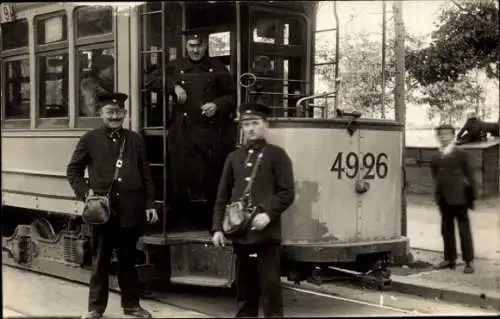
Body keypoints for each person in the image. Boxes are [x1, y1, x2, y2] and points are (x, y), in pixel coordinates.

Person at [67, 92, 159, 319]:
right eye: (110, 112)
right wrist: (86, 194)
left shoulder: (135, 139)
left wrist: (149, 204)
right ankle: (95, 309)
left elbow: (145, 173)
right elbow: (73, 171)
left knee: (129, 259)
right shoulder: (90, 139)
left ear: (125, 114)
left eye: (119, 112)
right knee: (101, 260)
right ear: (100, 114)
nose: (115, 116)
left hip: (131, 209)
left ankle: (132, 306)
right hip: (102, 212)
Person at [211, 102, 295, 317]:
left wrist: (267, 213)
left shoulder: (277, 155)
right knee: (245, 291)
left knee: (270, 289)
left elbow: (287, 192)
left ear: (265, 125)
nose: (250, 128)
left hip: (267, 236)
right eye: (246, 124)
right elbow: (222, 196)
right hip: (241, 234)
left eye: (255, 123)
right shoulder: (234, 157)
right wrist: (217, 228)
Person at [148, 27, 237, 230]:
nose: (195, 50)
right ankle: (182, 222)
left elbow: (232, 96)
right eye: (191, 46)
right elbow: (150, 79)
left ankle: (212, 224)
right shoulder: (175, 65)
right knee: (180, 177)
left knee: (211, 177)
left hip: (211, 133)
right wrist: (173, 86)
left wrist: (217, 105)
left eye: (199, 46)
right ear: (186, 46)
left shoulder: (217, 67)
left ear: (206, 45)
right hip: (183, 131)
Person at [431, 124, 476, 274]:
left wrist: (472, 196)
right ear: (438, 137)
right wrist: (438, 195)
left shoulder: (460, 153)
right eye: (441, 135)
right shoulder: (436, 156)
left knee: (464, 230)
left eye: (447, 134)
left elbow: (470, 176)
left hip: (460, 198)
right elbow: (436, 176)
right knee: (446, 229)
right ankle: (449, 259)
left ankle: (468, 261)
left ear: (453, 136)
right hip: (444, 198)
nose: (444, 137)